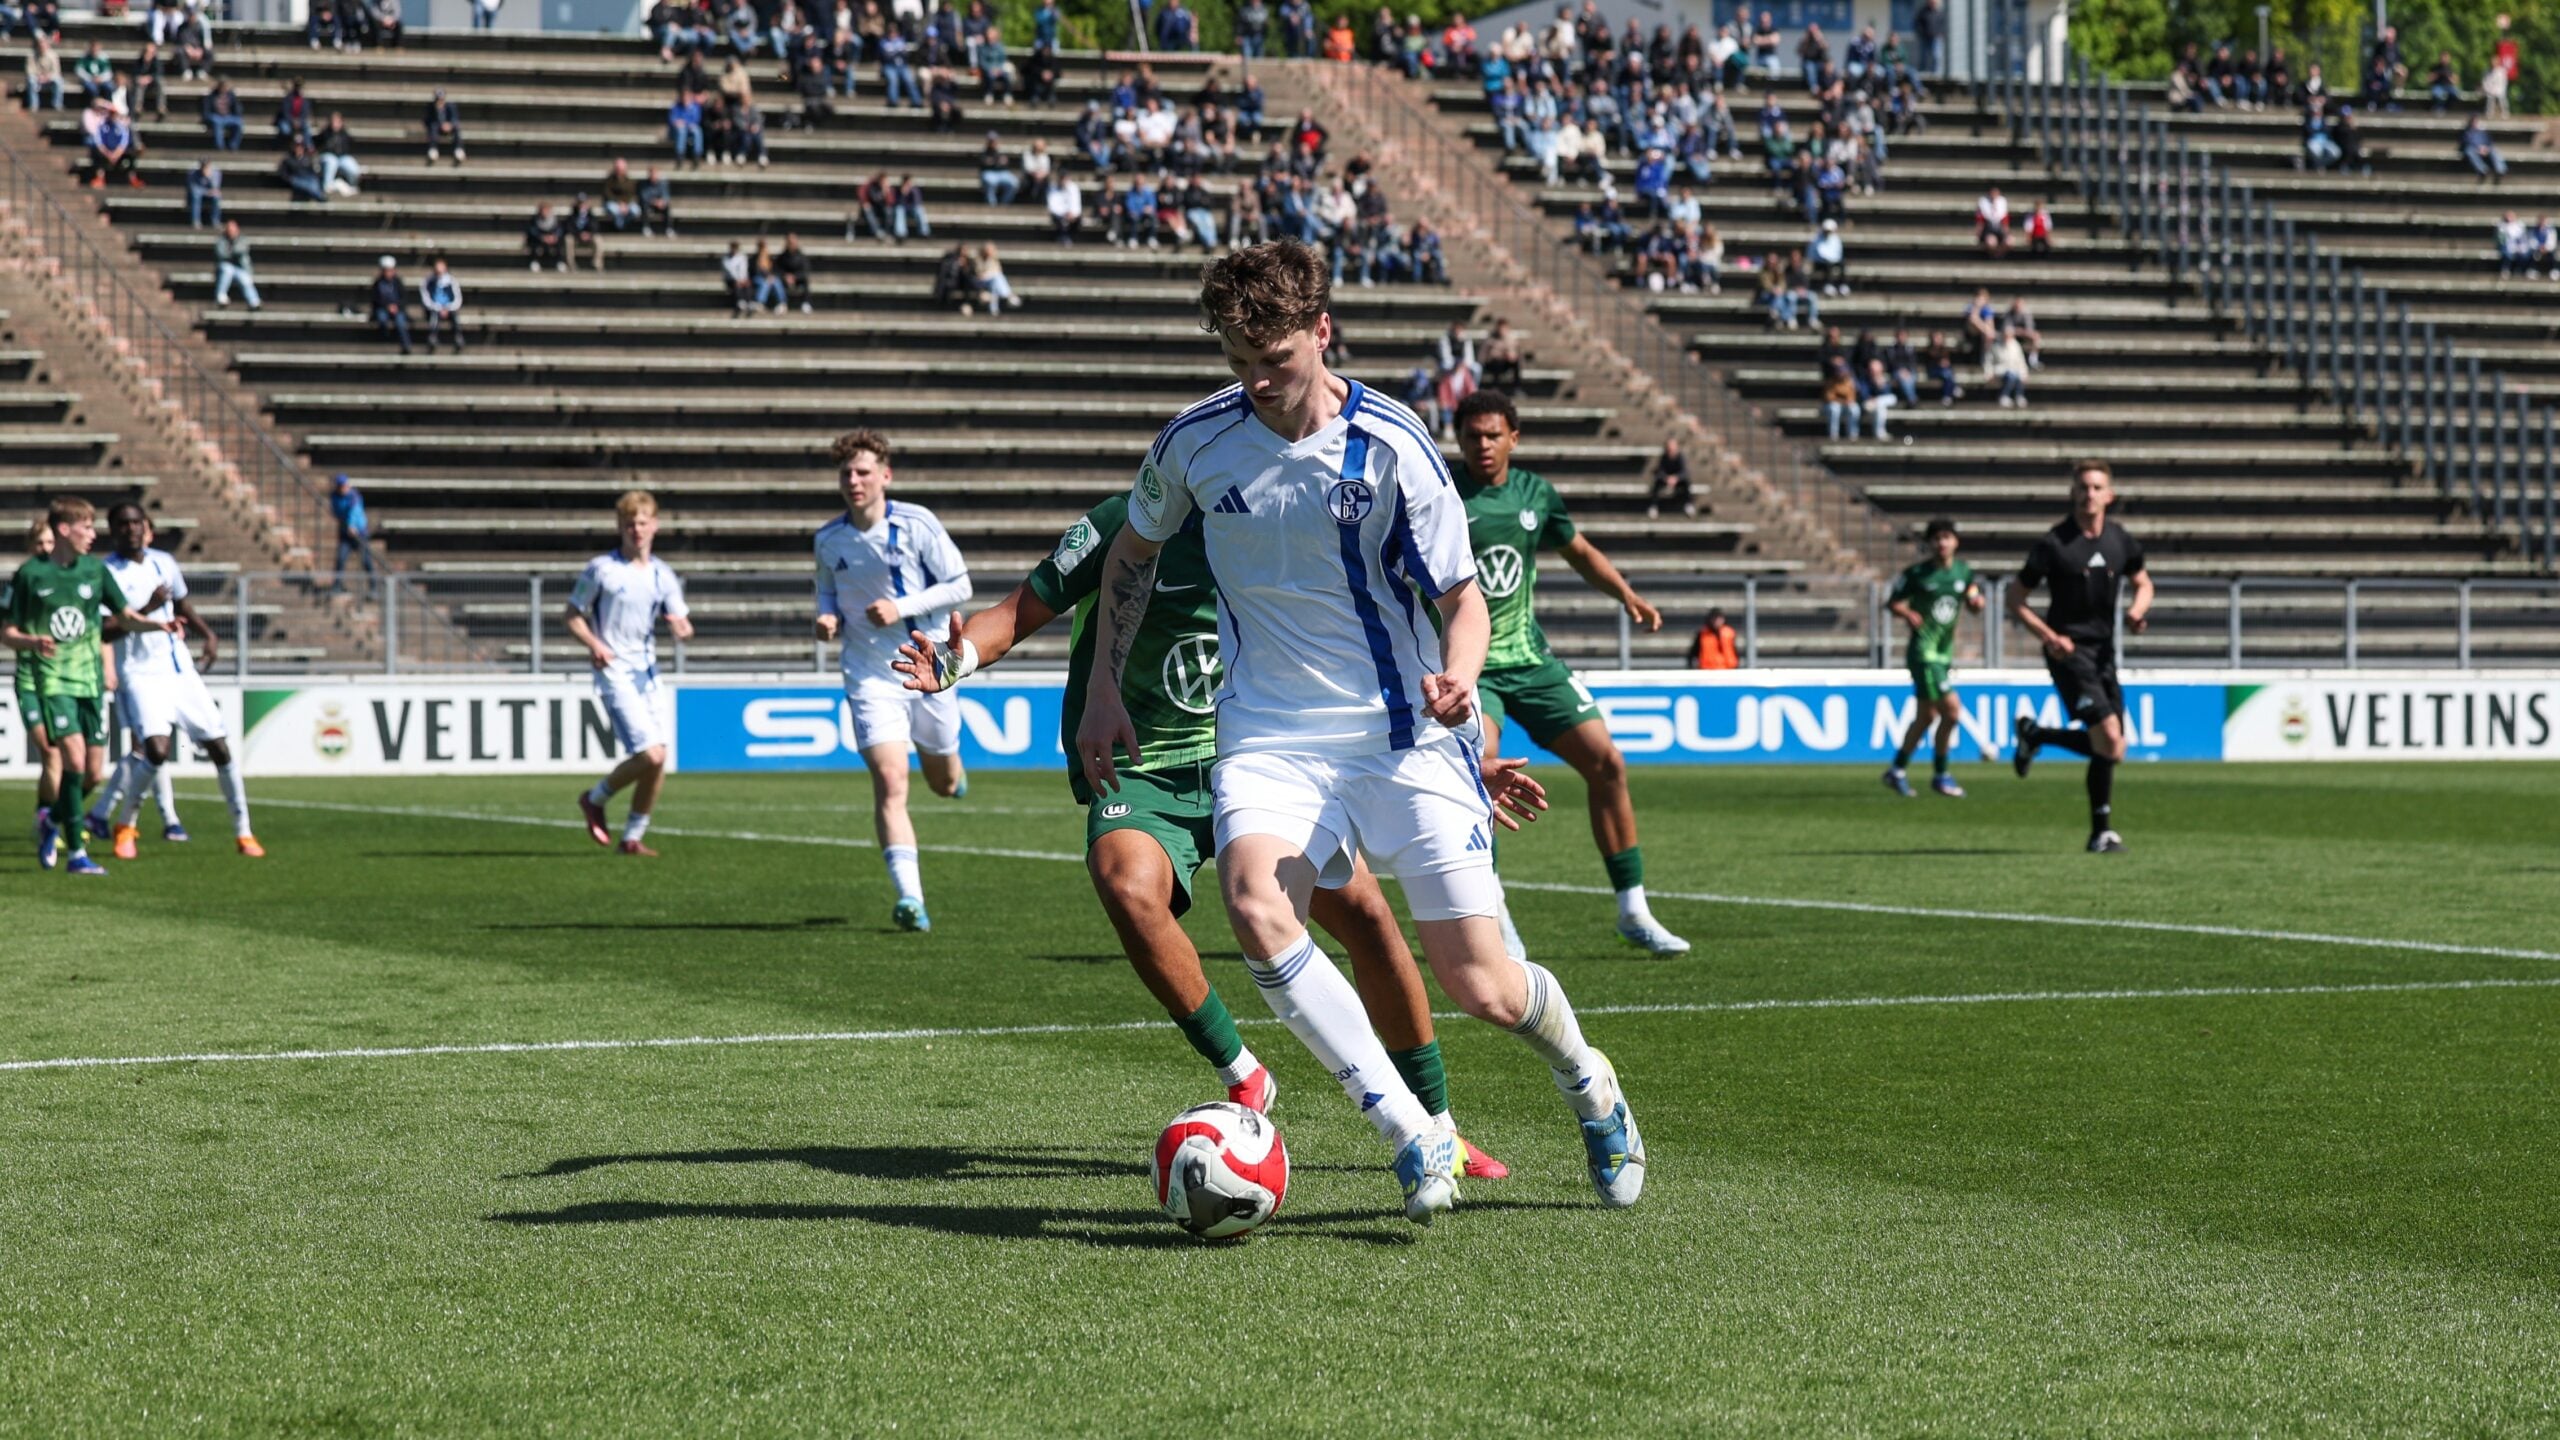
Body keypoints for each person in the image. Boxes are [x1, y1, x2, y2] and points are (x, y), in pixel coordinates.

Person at [1073, 242, 1646, 1224]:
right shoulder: (1194, 443)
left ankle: (1590, 1082)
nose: (1254, 380)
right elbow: (1130, 555)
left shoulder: (1394, 445)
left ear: (1321, 332)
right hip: (1269, 733)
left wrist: (1462, 684)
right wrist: (1099, 693)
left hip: (1401, 733)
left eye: (1275, 358)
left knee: (1484, 988)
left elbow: (1462, 599)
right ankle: (1411, 1132)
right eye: (1235, 357)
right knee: (1257, 905)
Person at [889, 489, 1524, 1178]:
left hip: (1255, 757)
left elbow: (1349, 655)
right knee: (1125, 882)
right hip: (1142, 766)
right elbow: (1019, 611)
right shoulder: (1118, 527)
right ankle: (1243, 1070)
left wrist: (1448, 756)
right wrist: (957, 661)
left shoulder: (1277, 533)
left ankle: (1440, 1124)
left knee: (1368, 917)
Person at [1446, 389, 1690, 957]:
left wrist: (1625, 593)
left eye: (1492, 434)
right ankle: (1495, 918)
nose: (1481, 444)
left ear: (1514, 437)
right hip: (1471, 665)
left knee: (1607, 762)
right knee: (1482, 773)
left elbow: (1577, 550)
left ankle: (1633, 910)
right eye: (1471, 435)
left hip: (1532, 661)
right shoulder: (1440, 493)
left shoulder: (1536, 495)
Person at [814, 429, 971, 931]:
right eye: (846, 473)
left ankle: (952, 774)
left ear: (885, 476)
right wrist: (827, 618)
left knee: (942, 783)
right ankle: (911, 899)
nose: (853, 480)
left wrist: (901, 608)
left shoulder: (916, 523)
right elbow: (825, 592)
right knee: (889, 780)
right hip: (868, 673)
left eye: (862, 472)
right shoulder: (828, 539)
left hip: (928, 665)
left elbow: (960, 585)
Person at [4, 498, 174, 876]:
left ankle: (51, 820)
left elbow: (124, 616)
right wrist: (31, 642)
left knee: (94, 774)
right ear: (65, 529)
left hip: (90, 682)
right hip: (53, 681)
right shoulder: (31, 575)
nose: (93, 534)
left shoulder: (94, 573)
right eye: (86, 527)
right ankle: (77, 852)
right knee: (72, 761)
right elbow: (7, 631)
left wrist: (158, 624)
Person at [82, 504, 261, 858]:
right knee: (156, 750)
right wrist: (146, 609)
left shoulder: (163, 561)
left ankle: (244, 832)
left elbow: (181, 604)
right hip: (140, 673)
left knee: (220, 747)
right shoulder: (106, 573)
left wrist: (207, 634)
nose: (132, 528)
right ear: (112, 530)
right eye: (123, 523)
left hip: (179, 669)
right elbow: (104, 630)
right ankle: (127, 825)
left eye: (137, 522)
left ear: (146, 527)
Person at [2008, 460, 2152, 854]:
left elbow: (2143, 582)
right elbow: (2015, 598)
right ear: (2073, 493)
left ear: (2110, 495)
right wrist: (2050, 636)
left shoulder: (2120, 540)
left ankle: (2037, 736)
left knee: (2115, 749)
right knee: (2107, 738)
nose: (2089, 494)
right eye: (2083, 487)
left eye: (2096, 487)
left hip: (2105, 654)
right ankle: (2101, 832)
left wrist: (2138, 611)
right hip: (2068, 653)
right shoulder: (2054, 543)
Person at [567, 492, 694, 857]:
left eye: (642, 523)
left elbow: (681, 620)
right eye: (629, 524)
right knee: (650, 755)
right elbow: (572, 615)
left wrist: (683, 630)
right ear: (619, 528)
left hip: (647, 673)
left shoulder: (662, 575)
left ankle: (632, 837)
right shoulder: (601, 569)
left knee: (659, 760)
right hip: (614, 671)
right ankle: (595, 799)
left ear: (654, 526)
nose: (636, 530)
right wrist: (593, 643)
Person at [1881, 516, 1985, 799]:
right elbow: (1892, 602)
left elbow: (1974, 598)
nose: (1942, 543)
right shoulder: (1917, 574)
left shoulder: (1963, 573)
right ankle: (1941, 774)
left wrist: (1977, 603)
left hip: (1943, 653)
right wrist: (1907, 612)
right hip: (1923, 654)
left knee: (1926, 717)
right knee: (1951, 710)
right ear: (1929, 543)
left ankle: (1897, 770)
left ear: (1955, 541)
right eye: (1936, 538)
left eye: (1946, 537)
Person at [329, 474, 378, 595]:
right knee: (341, 558)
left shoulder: (354, 496)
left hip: (359, 533)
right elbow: (336, 511)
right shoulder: (334, 496)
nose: (343, 488)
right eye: (340, 486)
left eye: (344, 485)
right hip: (346, 533)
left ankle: (374, 587)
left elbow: (354, 511)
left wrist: (352, 525)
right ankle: (337, 585)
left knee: (366, 560)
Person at [368, 254, 412, 355]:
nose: (389, 273)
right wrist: (387, 306)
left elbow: (404, 298)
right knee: (382, 318)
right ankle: (384, 335)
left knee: (401, 322)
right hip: (383, 308)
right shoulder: (378, 283)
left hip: (397, 309)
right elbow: (375, 299)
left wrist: (397, 306)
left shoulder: (397, 282)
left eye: (390, 270)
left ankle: (406, 346)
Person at [421, 255, 464, 351]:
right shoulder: (428, 281)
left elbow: (458, 299)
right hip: (434, 309)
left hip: (449, 308)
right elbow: (426, 298)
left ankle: (458, 336)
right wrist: (437, 307)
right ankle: (432, 336)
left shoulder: (451, 281)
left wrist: (448, 308)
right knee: (434, 316)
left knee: (455, 317)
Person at [1646, 435, 1694, 519]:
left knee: (1687, 483)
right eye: (1669, 446)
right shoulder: (1664, 457)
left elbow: (1684, 471)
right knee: (1656, 484)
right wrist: (1667, 478)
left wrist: (1676, 478)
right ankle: (1653, 507)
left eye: (1673, 446)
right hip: (1666, 479)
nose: (1671, 448)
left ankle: (1688, 505)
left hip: (1678, 480)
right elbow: (1660, 470)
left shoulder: (1680, 457)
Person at [2460, 114, 2507, 183]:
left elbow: (2489, 141)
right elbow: (2465, 142)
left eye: (2476, 122)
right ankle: (2483, 170)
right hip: (2474, 149)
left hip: (2485, 148)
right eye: (2474, 122)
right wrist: (2478, 148)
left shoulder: (2483, 131)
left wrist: (2485, 147)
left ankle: (2500, 170)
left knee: (2494, 150)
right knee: (2469, 151)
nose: (2475, 124)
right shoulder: (2467, 132)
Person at [423, 86, 463, 164]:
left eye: (441, 99)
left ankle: (459, 149)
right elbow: (427, 121)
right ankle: (433, 149)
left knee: (457, 128)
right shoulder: (431, 107)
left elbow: (455, 118)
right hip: (437, 128)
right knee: (433, 127)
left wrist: (450, 125)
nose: (440, 101)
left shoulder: (450, 106)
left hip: (449, 127)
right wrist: (440, 123)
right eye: (438, 99)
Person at [523, 203, 567, 271]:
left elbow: (559, 230)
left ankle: (560, 262)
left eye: (546, 211)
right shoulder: (534, 220)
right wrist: (542, 237)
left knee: (560, 244)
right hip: (539, 240)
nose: (545, 213)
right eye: (543, 211)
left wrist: (554, 237)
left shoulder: (555, 220)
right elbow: (532, 230)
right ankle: (535, 262)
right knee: (534, 244)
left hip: (552, 239)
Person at [185, 159, 223, 230]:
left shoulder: (216, 172)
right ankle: (196, 221)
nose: (205, 168)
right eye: (203, 166)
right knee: (196, 196)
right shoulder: (192, 173)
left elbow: (215, 188)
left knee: (217, 196)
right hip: (197, 194)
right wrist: (206, 192)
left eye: (207, 166)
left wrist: (209, 177)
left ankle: (215, 221)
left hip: (209, 194)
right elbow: (193, 189)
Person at [1975, 184, 2011, 253]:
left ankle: (2000, 254)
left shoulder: (2002, 202)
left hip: (2000, 229)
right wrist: (1979, 232)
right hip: (1988, 230)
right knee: (1991, 242)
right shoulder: (1983, 202)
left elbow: (2005, 220)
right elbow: (1980, 221)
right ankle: (1993, 255)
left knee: (2009, 241)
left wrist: (2007, 233)